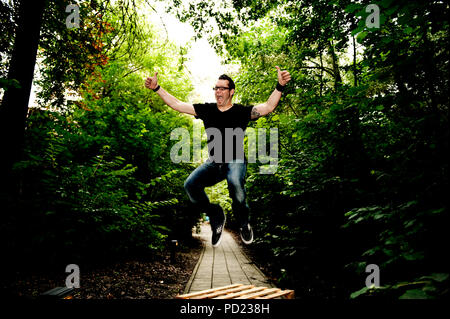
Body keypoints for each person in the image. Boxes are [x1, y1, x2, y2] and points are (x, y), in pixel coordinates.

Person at [145, 67, 291, 247]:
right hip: (214, 163)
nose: (218, 92)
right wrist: (157, 88)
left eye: (222, 88)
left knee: (235, 182)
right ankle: (215, 214)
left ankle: (244, 223)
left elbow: (268, 107)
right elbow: (177, 104)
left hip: (236, 160)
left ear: (231, 91)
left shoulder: (241, 111)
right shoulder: (207, 110)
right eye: (216, 88)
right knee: (190, 185)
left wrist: (280, 86)